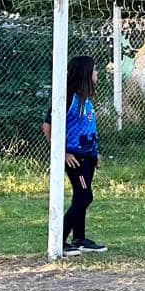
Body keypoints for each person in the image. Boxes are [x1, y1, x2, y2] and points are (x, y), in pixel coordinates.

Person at [42, 55, 105, 256]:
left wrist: (95, 153)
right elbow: (47, 126)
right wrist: (62, 152)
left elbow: (87, 127)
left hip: (87, 156)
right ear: (86, 73)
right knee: (85, 196)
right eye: (95, 70)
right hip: (74, 158)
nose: (97, 73)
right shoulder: (67, 96)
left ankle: (80, 239)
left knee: (81, 196)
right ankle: (59, 240)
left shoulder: (85, 99)